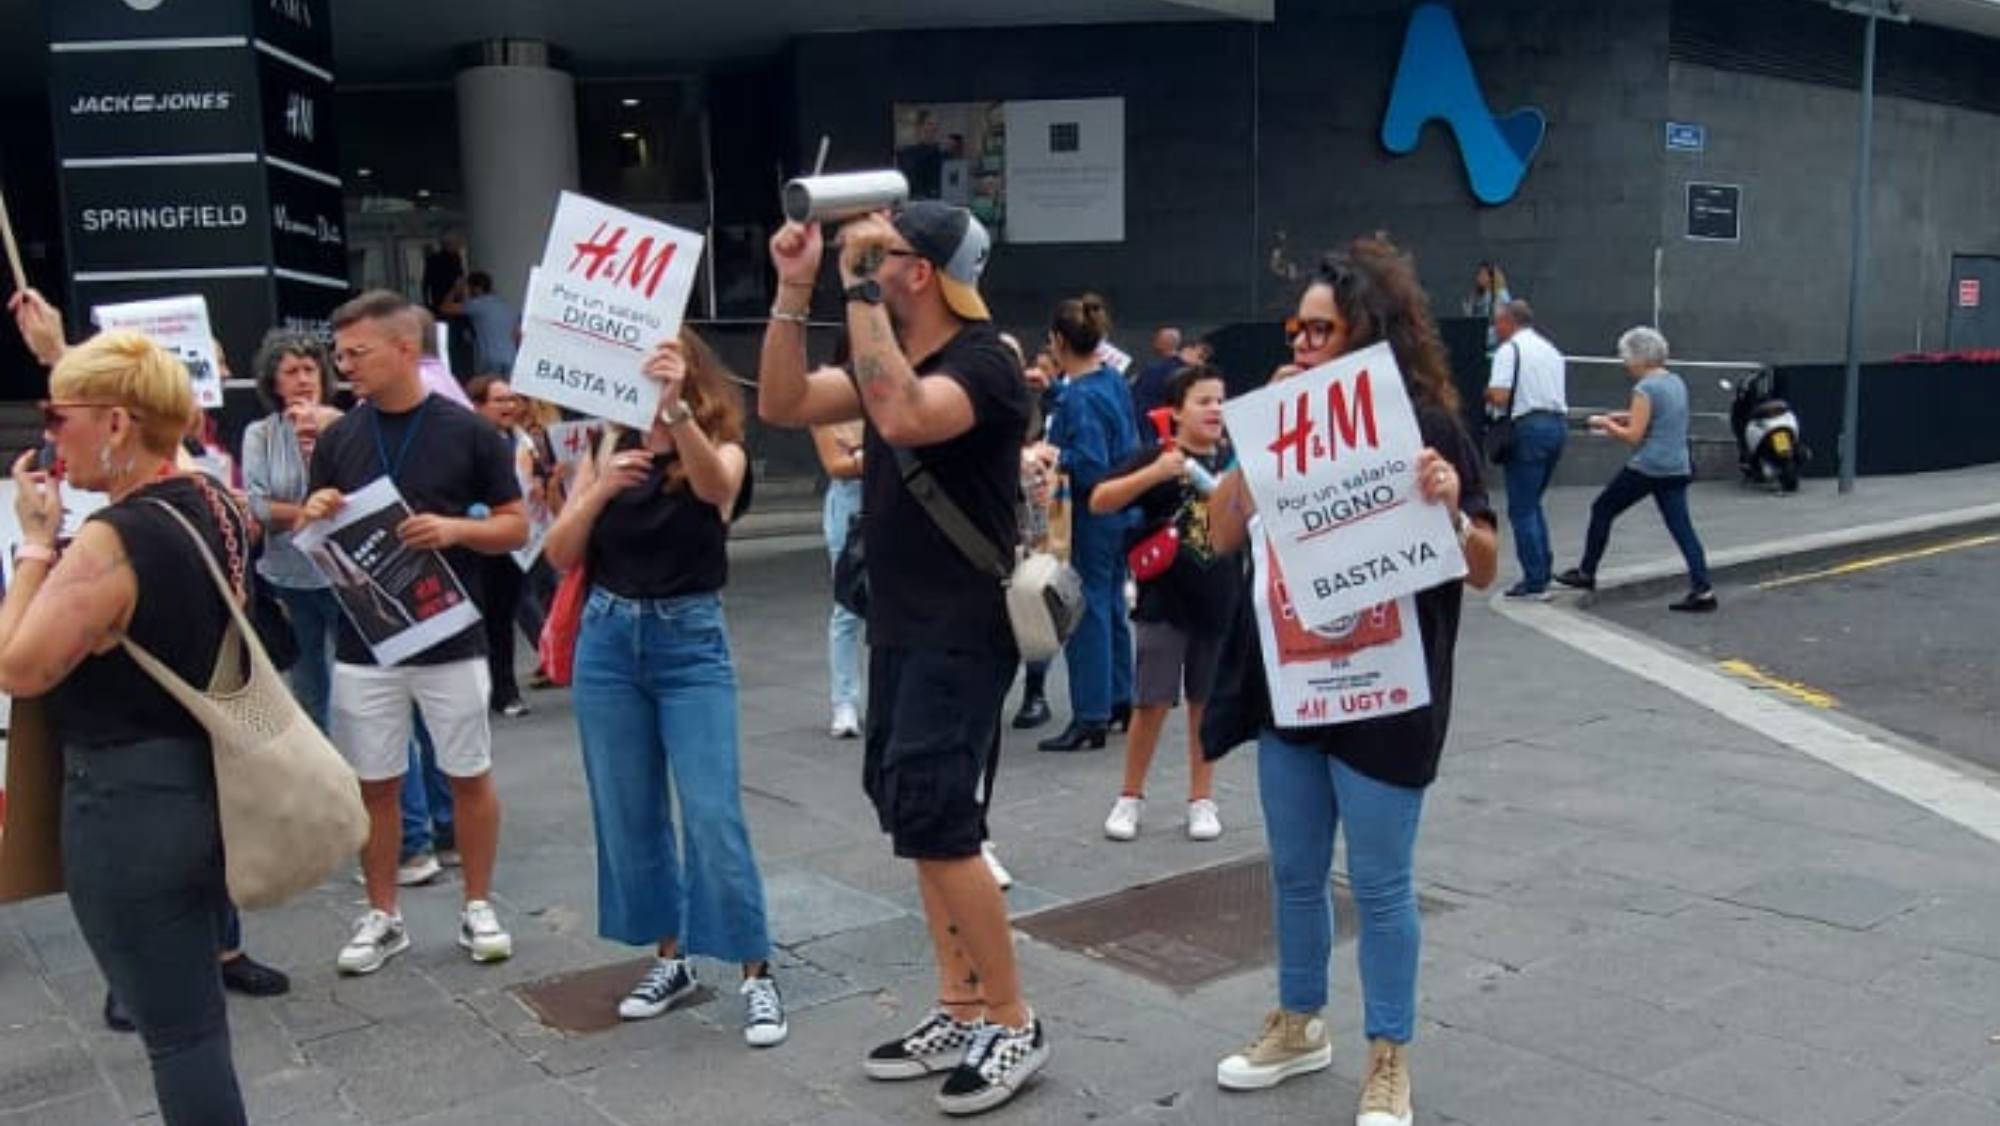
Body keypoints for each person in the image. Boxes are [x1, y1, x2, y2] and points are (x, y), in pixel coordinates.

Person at [757, 200, 1049, 1115]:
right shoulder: (891, 346)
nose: (867, 266)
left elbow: (905, 416)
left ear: (917, 272)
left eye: (880, 257)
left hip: (963, 626)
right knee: (913, 814)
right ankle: (960, 1005)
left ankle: (1013, 1019)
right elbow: (784, 403)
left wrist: (851, 286)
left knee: (942, 816)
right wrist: (795, 286)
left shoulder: (987, 363)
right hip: (902, 623)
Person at [1207, 237, 1499, 1126]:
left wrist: (1449, 501)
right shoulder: (1274, 418)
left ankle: (1388, 1056)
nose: (1299, 344)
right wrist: (1251, 455)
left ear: (1368, 331)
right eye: (1295, 329)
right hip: (1291, 687)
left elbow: (1483, 566)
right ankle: (1299, 1022)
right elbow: (1218, 535)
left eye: (1319, 330)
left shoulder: (1430, 427)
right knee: (1294, 873)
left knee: (1379, 886)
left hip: (1385, 692)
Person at [0, 331, 259, 1124]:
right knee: (196, 1025)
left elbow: (18, 665)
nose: (50, 433)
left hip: (124, 801)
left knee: (177, 1037)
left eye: (59, 413)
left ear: (115, 424)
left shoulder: (112, 541)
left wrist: (36, 547)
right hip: (200, 783)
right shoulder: (216, 501)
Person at [541, 328, 788, 1047]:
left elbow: (718, 491)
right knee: (628, 810)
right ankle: (670, 957)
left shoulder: (718, 443)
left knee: (713, 811)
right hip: (610, 641)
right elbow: (559, 552)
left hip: (689, 643)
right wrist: (597, 493)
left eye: (657, 366)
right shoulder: (606, 444)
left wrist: (677, 414)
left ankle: (756, 972)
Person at [301, 289, 528, 975]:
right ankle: (383, 913)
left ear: (405, 349)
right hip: (365, 636)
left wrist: (457, 528)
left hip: (449, 631)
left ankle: (479, 902)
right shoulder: (340, 435)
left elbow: (517, 525)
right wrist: (314, 509)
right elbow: (316, 531)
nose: (345, 368)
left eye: (357, 353)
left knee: (468, 772)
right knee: (376, 781)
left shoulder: (469, 432)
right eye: (339, 356)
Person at [1089, 363, 1238, 842]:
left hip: (1220, 596)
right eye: (1203, 401)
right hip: (1163, 600)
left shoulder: (1236, 460)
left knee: (1205, 703)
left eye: (1220, 400)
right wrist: (1155, 473)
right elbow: (1100, 500)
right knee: (1150, 702)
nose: (1214, 409)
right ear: (1175, 411)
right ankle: (1129, 797)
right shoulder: (1157, 455)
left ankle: (1202, 798)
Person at [1033, 294, 1139, 752]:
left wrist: (1054, 454)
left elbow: (1090, 462)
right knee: (1111, 601)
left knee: (1085, 608)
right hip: (1122, 509)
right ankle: (1118, 697)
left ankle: (1090, 713)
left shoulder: (1078, 398)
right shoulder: (1111, 381)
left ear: (1058, 341)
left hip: (1090, 514)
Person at [1555, 326, 1717, 612]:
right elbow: (1662, 415)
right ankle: (1703, 589)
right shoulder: (1675, 381)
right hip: (1677, 466)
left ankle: (1586, 572)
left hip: (1649, 466)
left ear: (1640, 358)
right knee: (1683, 529)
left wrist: (1606, 423)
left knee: (1603, 508)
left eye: (1626, 356)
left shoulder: (1644, 388)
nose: (1624, 363)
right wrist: (1624, 415)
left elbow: (1633, 436)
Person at [242, 329, 345, 729]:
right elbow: (258, 505)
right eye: (291, 371)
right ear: (274, 382)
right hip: (289, 575)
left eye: (309, 368)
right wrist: (310, 511)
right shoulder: (262, 434)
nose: (303, 378)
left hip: (342, 572)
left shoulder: (342, 424)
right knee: (308, 685)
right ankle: (323, 778)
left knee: (358, 685)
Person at [1484, 300, 1568, 599]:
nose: (1495, 329)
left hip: (1528, 429)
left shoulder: (1510, 350)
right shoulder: (1550, 350)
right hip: (1557, 427)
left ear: (1509, 321)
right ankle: (1543, 569)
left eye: (1497, 323)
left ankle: (1534, 579)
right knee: (1533, 503)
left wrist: (1484, 393)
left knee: (1521, 508)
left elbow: (1500, 395)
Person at [466, 374, 532, 717]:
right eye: (500, 400)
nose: (509, 406)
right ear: (478, 406)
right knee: (475, 620)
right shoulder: (467, 443)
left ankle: (505, 690)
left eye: (512, 399)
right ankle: (477, 691)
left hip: (517, 545)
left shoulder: (525, 442)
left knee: (502, 619)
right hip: (478, 540)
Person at [812, 415, 866, 738]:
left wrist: (860, 453)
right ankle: (844, 701)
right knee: (848, 606)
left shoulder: (888, 392)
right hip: (849, 504)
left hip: (896, 499)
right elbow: (836, 464)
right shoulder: (827, 405)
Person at [463, 272, 520, 375]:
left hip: (491, 360)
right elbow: (516, 335)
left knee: (489, 389)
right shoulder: (508, 306)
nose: (467, 292)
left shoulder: (477, 304)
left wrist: (454, 288)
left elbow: (446, 307)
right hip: (511, 358)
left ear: (477, 288)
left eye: (468, 288)